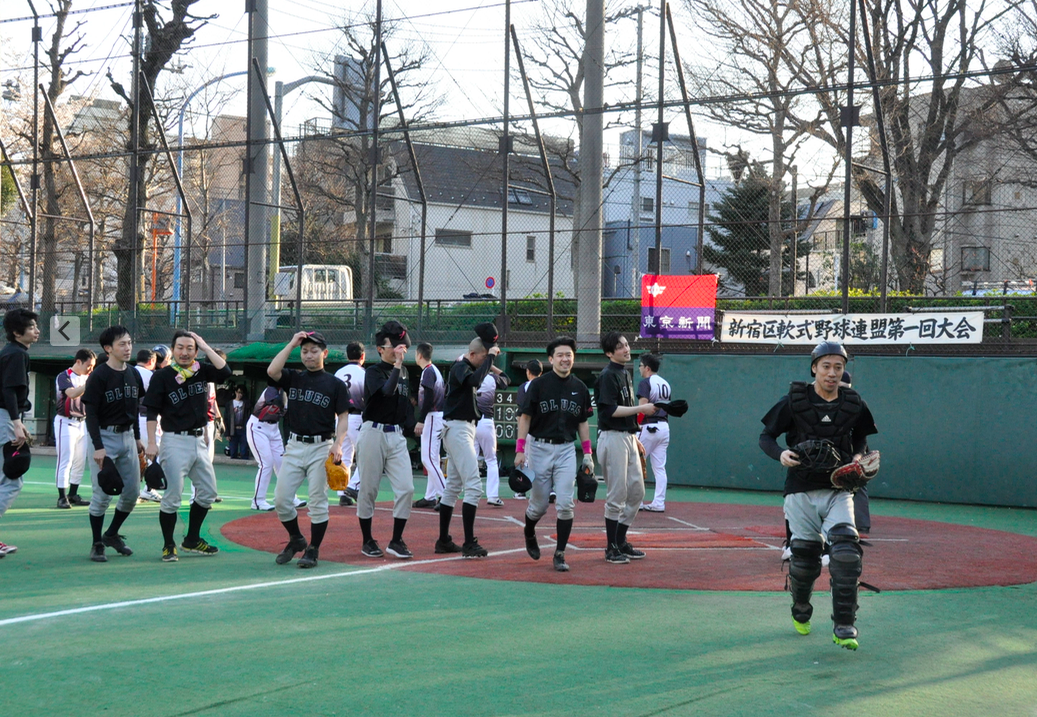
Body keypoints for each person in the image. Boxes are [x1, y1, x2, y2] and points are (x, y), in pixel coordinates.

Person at [759, 341, 878, 651]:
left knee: (846, 553)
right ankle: (801, 607)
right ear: (814, 368)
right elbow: (766, 436)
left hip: (839, 488)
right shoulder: (794, 401)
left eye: (838, 367)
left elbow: (861, 437)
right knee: (805, 557)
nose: (832, 373)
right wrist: (780, 453)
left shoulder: (853, 402)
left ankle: (844, 625)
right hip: (800, 488)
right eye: (826, 366)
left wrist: (857, 456)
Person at [143, 330, 231, 563]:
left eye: (190, 348)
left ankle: (192, 539)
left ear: (196, 351)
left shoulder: (201, 370)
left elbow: (225, 371)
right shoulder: (162, 376)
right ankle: (168, 545)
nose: (184, 352)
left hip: (199, 440)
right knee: (172, 496)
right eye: (180, 347)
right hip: (174, 440)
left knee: (208, 493)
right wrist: (151, 442)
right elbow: (151, 411)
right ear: (172, 350)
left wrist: (204, 344)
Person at [266, 331, 349, 568]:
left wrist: (338, 443)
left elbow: (343, 417)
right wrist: (292, 343)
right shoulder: (294, 377)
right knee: (281, 500)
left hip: (321, 447)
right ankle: (296, 539)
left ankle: (313, 549)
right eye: (304, 351)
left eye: (314, 351)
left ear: (325, 353)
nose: (308, 355)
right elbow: (272, 371)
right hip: (294, 446)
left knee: (317, 501)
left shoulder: (335, 384)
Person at [514, 336, 593, 572]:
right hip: (539, 448)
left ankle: (560, 553)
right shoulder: (538, 385)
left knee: (566, 504)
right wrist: (519, 450)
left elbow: (583, 422)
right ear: (551, 359)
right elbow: (525, 417)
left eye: (569, 355)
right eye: (560, 355)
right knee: (538, 506)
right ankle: (529, 530)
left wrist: (587, 453)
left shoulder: (580, 388)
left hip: (566, 449)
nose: (565, 359)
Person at [82, 326, 145, 562]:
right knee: (102, 495)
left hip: (127, 436)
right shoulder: (99, 375)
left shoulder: (134, 374)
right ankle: (97, 543)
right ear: (108, 348)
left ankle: (111, 534)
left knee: (132, 493)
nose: (128, 348)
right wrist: (98, 447)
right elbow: (91, 414)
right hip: (104, 437)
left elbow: (134, 408)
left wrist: (137, 437)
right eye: (122, 344)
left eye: (129, 343)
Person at [438, 323, 500, 558]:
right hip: (458, 429)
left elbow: (483, 377)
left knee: (453, 486)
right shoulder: (460, 367)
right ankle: (468, 543)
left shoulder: (467, 367)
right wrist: (489, 359)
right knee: (473, 486)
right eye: (482, 357)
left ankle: (443, 540)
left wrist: (490, 362)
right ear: (472, 354)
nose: (485, 361)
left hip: (462, 429)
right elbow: (474, 380)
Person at [355, 322, 416, 560]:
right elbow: (387, 391)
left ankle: (396, 540)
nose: (399, 350)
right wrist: (398, 365)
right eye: (394, 346)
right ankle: (367, 540)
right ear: (381, 349)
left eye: (402, 346)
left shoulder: (405, 372)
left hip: (396, 435)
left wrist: (412, 426)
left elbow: (404, 403)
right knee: (368, 489)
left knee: (406, 488)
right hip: (373, 432)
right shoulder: (373, 371)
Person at [595, 332, 656, 565]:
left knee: (637, 492)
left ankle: (620, 541)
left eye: (626, 344)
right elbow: (609, 411)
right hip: (612, 438)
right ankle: (611, 548)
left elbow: (624, 410)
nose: (626, 349)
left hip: (627, 437)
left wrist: (634, 435)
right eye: (620, 346)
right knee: (617, 495)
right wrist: (641, 410)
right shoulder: (607, 375)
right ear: (609, 353)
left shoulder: (625, 372)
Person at [0, 308, 39, 558]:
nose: (37, 330)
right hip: (5, 417)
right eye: (31, 327)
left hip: (6, 416)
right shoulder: (16, 354)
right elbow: (9, 391)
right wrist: (16, 422)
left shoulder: (11, 352)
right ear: (16, 332)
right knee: (12, 481)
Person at [54, 349, 96, 508]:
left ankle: (73, 494)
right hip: (65, 422)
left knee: (80, 460)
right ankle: (61, 497)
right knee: (65, 459)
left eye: (93, 366)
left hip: (82, 422)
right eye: (89, 365)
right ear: (78, 361)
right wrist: (89, 384)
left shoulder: (88, 377)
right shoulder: (64, 376)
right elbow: (72, 394)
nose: (91, 369)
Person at [412, 342, 446, 509]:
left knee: (428, 459)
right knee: (433, 459)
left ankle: (445, 496)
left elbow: (429, 397)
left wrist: (421, 419)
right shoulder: (433, 370)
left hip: (432, 416)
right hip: (436, 416)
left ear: (419, 355)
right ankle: (430, 496)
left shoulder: (428, 371)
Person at [332, 341, 366, 507]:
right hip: (357, 417)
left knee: (345, 455)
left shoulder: (338, 373)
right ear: (362, 356)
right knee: (366, 454)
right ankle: (353, 486)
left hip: (340, 418)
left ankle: (342, 492)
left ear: (347, 355)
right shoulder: (364, 373)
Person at [637, 353, 672, 513]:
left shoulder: (646, 382)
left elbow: (643, 407)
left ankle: (636, 502)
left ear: (647, 368)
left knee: (635, 464)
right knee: (659, 468)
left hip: (649, 427)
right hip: (664, 427)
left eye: (641, 366)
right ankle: (659, 503)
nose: (639, 368)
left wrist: (636, 426)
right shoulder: (665, 383)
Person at [246, 386, 286, 511]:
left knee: (282, 464)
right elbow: (275, 402)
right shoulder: (273, 389)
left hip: (274, 428)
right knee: (266, 463)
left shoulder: (291, 392)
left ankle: (288, 497)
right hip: (258, 426)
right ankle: (258, 501)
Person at [475, 362, 510, 506]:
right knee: (491, 460)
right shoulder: (491, 377)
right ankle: (493, 496)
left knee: (471, 459)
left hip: (470, 422)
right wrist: (492, 366)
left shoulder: (470, 376)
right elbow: (506, 379)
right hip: (485, 422)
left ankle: (472, 492)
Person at [133, 349, 163, 503]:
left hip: (131, 420)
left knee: (136, 456)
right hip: (147, 419)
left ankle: (135, 491)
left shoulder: (129, 372)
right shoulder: (151, 375)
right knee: (152, 454)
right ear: (151, 361)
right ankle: (148, 489)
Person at [511, 359, 542, 500]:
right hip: (544, 430)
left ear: (528, 372)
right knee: (544, 461)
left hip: (528, 429)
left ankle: (522, 490)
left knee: (526, 460)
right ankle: (550, 490)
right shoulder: (547, 385)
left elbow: (521, 412)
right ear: (541, 372)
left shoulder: (525, 386)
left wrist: (521, 432)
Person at [224, 386, 251, 459]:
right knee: (233, 452)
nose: (240, 395)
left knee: (244, 451)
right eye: (239, 392)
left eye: (242, 393)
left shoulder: (245, 404)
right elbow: (226, 419)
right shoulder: (229, 404)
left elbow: (249, 412)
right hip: (233, 429)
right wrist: (227, 433)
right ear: (235, 392)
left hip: (243, 429)